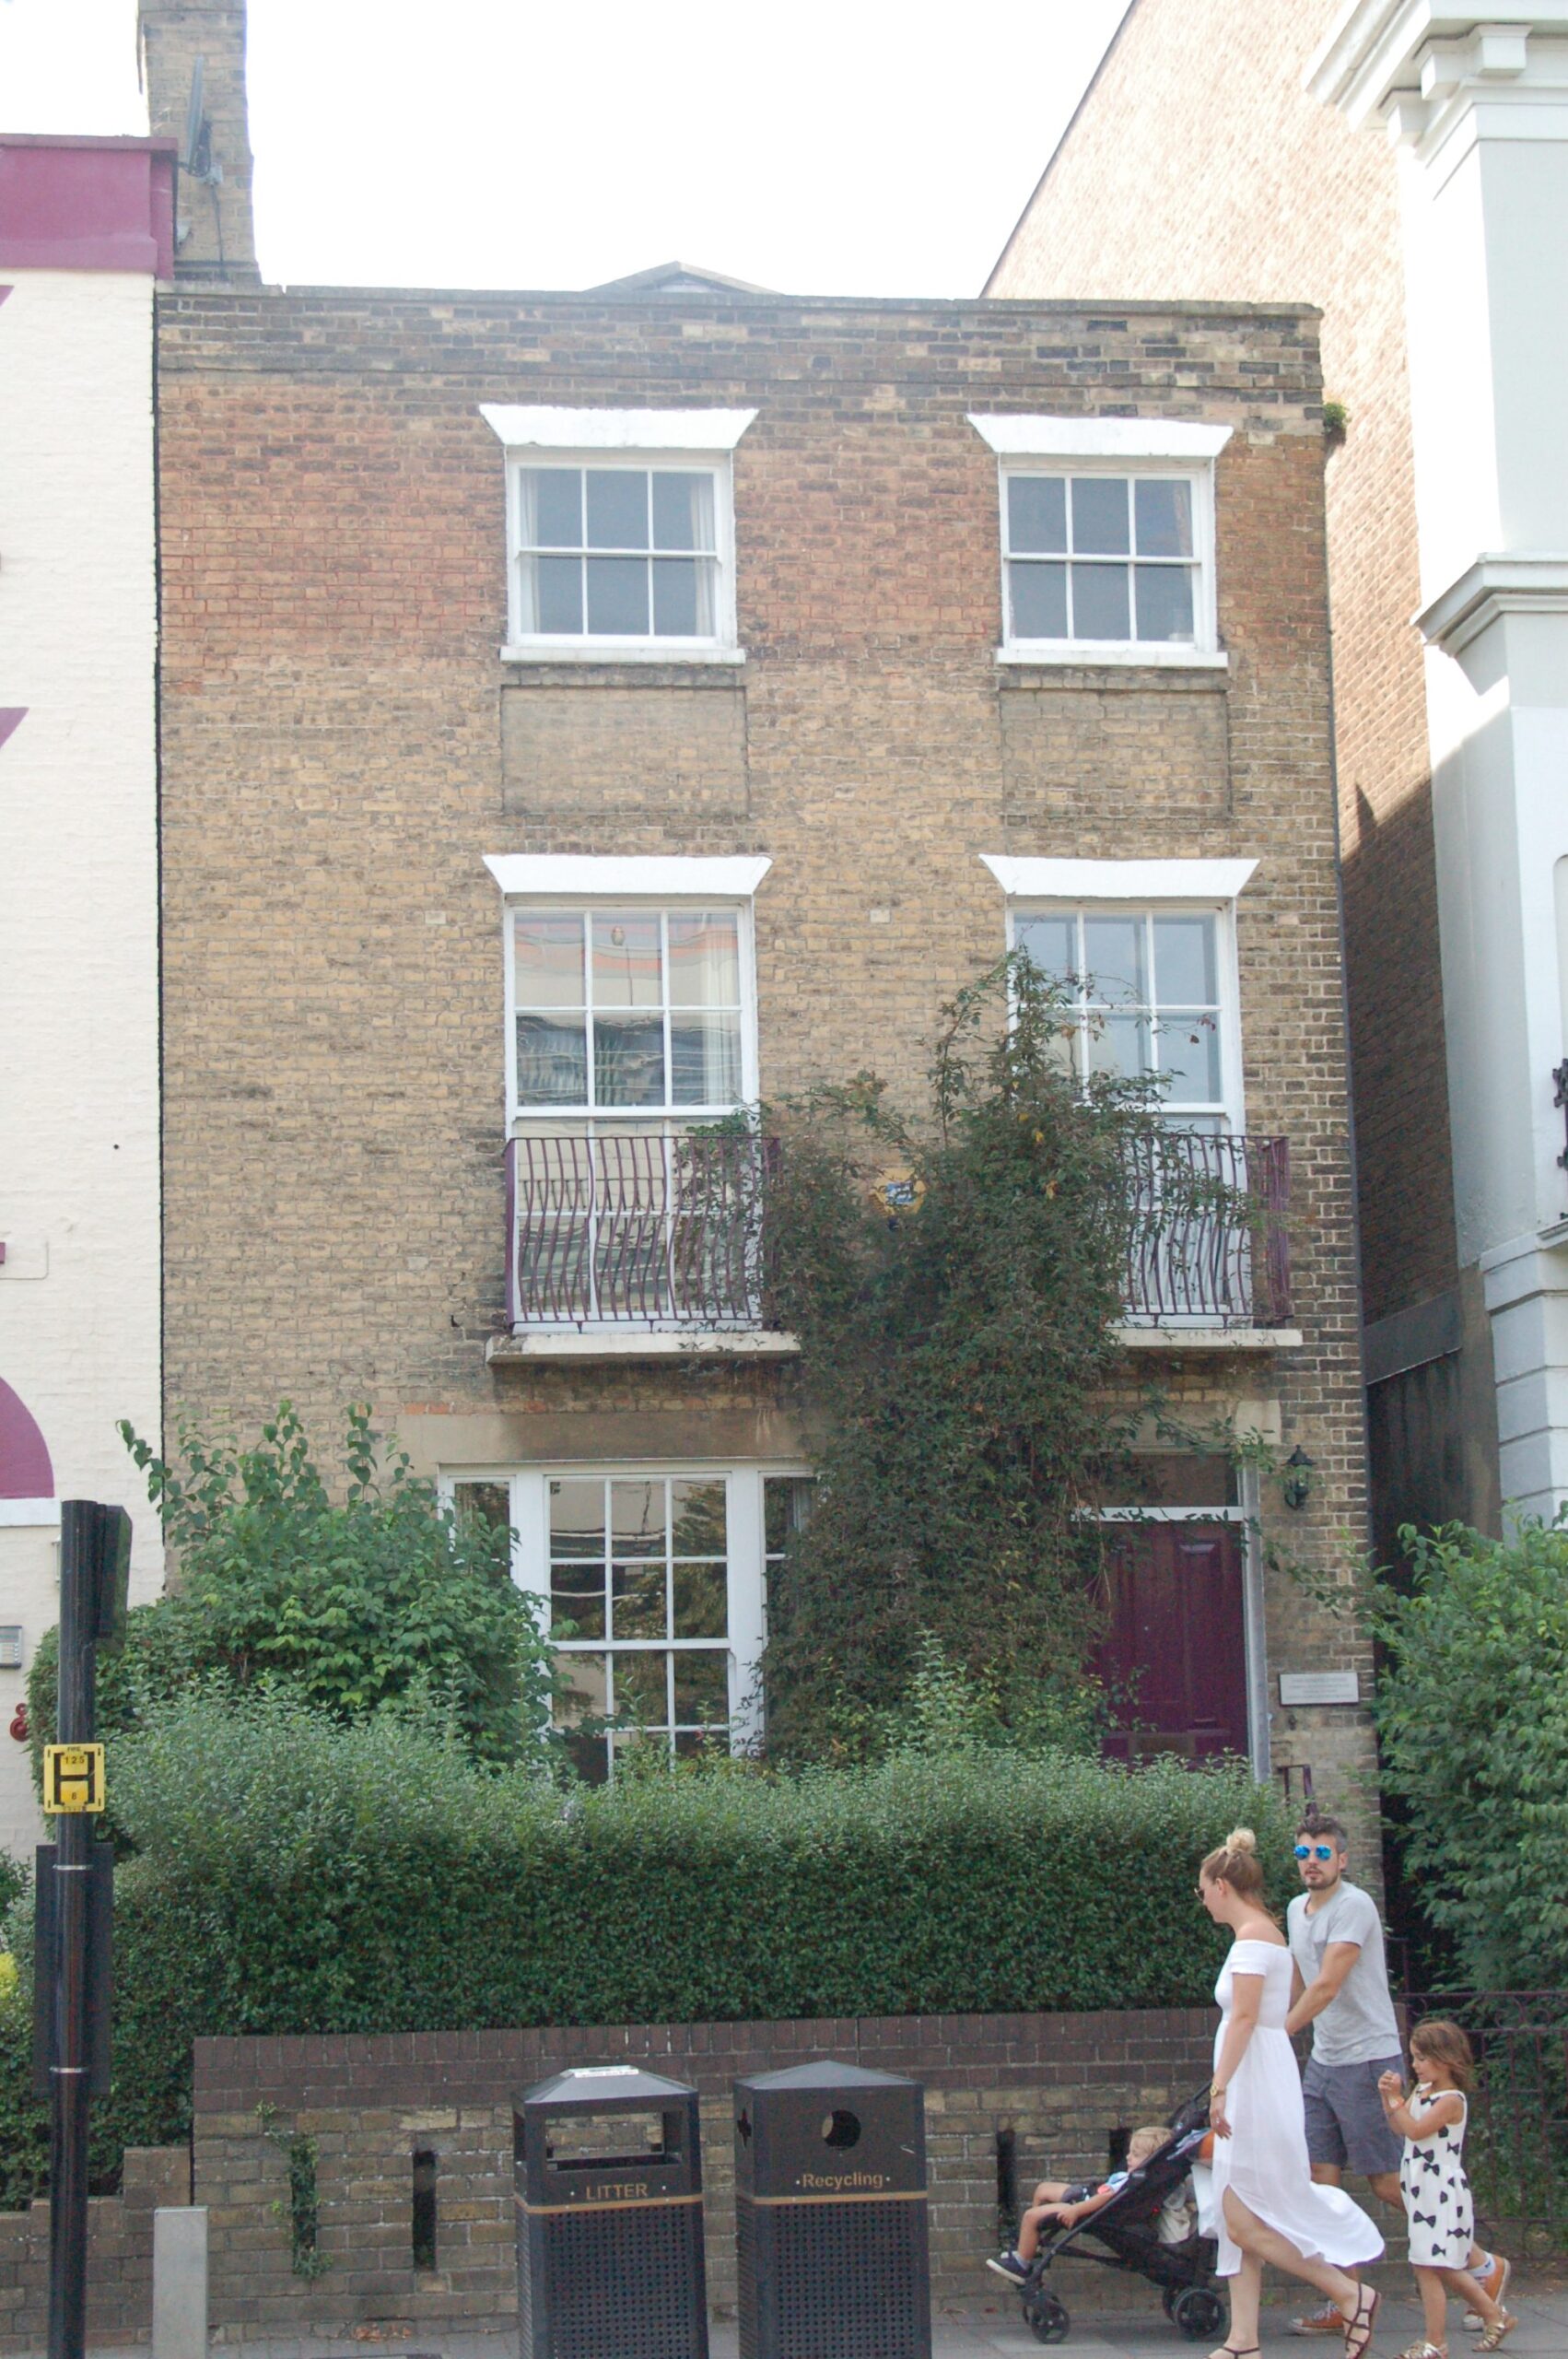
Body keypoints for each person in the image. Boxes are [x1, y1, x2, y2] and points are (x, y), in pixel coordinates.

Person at [1283, 1813, 1508, 2336]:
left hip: (1368, 2059)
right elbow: (1299, 1980)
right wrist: (1276, 2019)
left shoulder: (1354, 1906)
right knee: (1321, 2182)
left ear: (1342, 1859)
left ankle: (1480, 2264)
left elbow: (1328, 1984)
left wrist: (1279, 2032)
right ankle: (1349, 2299)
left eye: (1322, 1853)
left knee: (1387, 2181)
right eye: (1302, 1853)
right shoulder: (1295, 1909)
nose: (1312, 1862)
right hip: (1324, 2060)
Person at [1199, 1827, 1384, 2359]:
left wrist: (1219, 2089)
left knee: (1241, 2216)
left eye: (1203, 1889)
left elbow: (1246, 2018)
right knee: (1240, 2216)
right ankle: (1243, 2340)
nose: (1203, 1900)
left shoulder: (1252, 1941)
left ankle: (1349, 2293)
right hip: (1260, 2077)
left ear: (1221, 1886)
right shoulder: (1267, 1934)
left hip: (1253, 2086)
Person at [1377, 2019, 1517, 2356]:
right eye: (1414, 2057)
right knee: (1434, 2264)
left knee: (1431, 2265)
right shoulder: (1421, 2092)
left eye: (1422, 2058)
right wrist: (1388, 2099)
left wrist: (1396, 2100)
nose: (1415, 2065)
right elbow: (1399, 2127)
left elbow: (1416, 2130)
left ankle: (1437, 2340)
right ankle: (1493, 2316)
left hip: (1439, 2189)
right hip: (1420, 2189)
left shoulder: (1451, 2100)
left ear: (1446, 2059)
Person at [986, 2123, 1169, 2283]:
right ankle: (1031, 2244)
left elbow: (1105, 2198)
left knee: (1031, 2216)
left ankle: (1021, 2264)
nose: (1128, 2157)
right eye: (1129, 2152)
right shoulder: (1129, 2176)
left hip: (1087, 2208)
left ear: (1150, 2161)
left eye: (1135, 2155)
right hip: (1087, 2194)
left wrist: (1075, 2210)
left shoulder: (1131, 2183)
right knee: (1043, 2190)